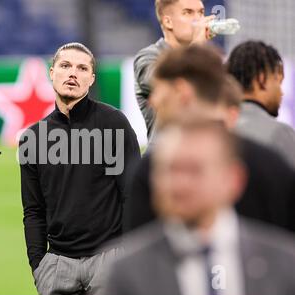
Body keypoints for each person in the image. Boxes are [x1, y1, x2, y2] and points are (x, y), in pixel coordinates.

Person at [105, 120, 295, 295]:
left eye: (193, 170)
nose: (179, 184)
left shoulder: (284, 264)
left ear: (233, 179)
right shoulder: (126, 272)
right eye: (169, 170)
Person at [123, 45, 295, 234]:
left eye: (158, 90)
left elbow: (140, 254)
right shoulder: (271, 165)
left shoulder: (152, 170)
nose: (153, 101)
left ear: (182, 91)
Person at [20, 42, 140, 295]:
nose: (73, 73)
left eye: (82, 68)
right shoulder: (33, 137)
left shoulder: (114, 124)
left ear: (91, 79)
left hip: (108, 259)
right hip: (57, 264)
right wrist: (39, 266)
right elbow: (33, 210)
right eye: (65, 66)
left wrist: (126, 256)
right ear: (52, 73)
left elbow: (133, 195)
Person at [134, 0, 215, 146]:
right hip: (164, 156)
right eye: (188, 12)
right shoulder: (148, 57)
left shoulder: (209, 59)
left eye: (201, 12)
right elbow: (167, 84)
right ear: (168, 22)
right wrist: (196, 47)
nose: (199, 20)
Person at [227, 41, 295, 169]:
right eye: (278, 81)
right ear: (262, 80)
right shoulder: (279, 133)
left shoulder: (215, 130)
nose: (281, 92)